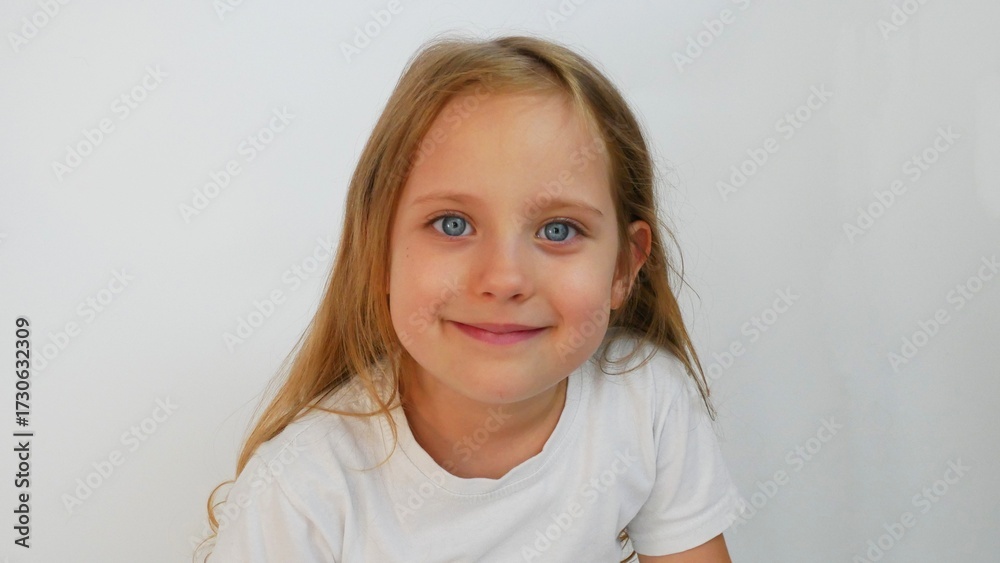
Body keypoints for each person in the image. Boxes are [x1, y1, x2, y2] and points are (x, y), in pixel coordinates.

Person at [197, 33, 746, 562]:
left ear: (623, 268)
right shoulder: (301, 488)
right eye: (453, 224)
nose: (503, 278)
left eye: (558, 230)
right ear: (378, 250)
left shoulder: (646, 400)